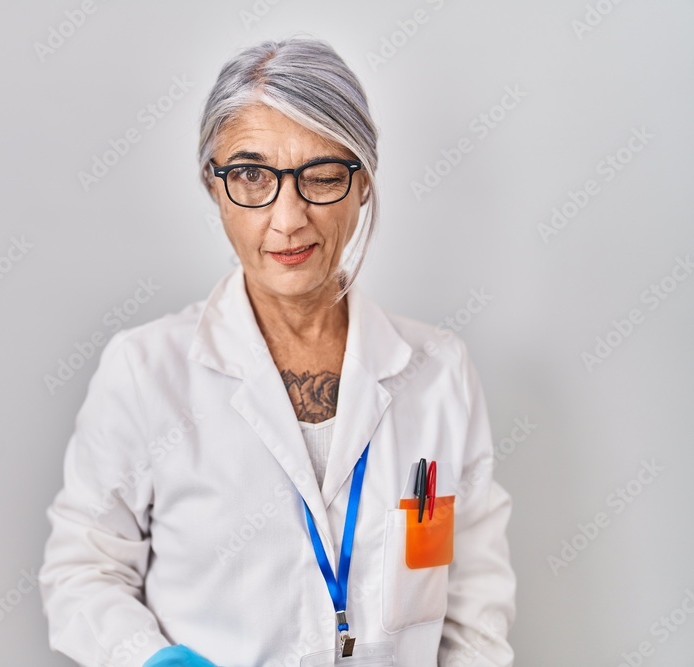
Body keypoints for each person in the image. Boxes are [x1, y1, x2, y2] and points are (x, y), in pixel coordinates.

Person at [39, 36, 516, 667]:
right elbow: (83, 568)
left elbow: (475, 607)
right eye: (252, 176)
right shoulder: (145, 373)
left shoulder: (437, 373)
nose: (288, 218)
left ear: (364, 183)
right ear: (214, 187)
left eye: (320, 176)